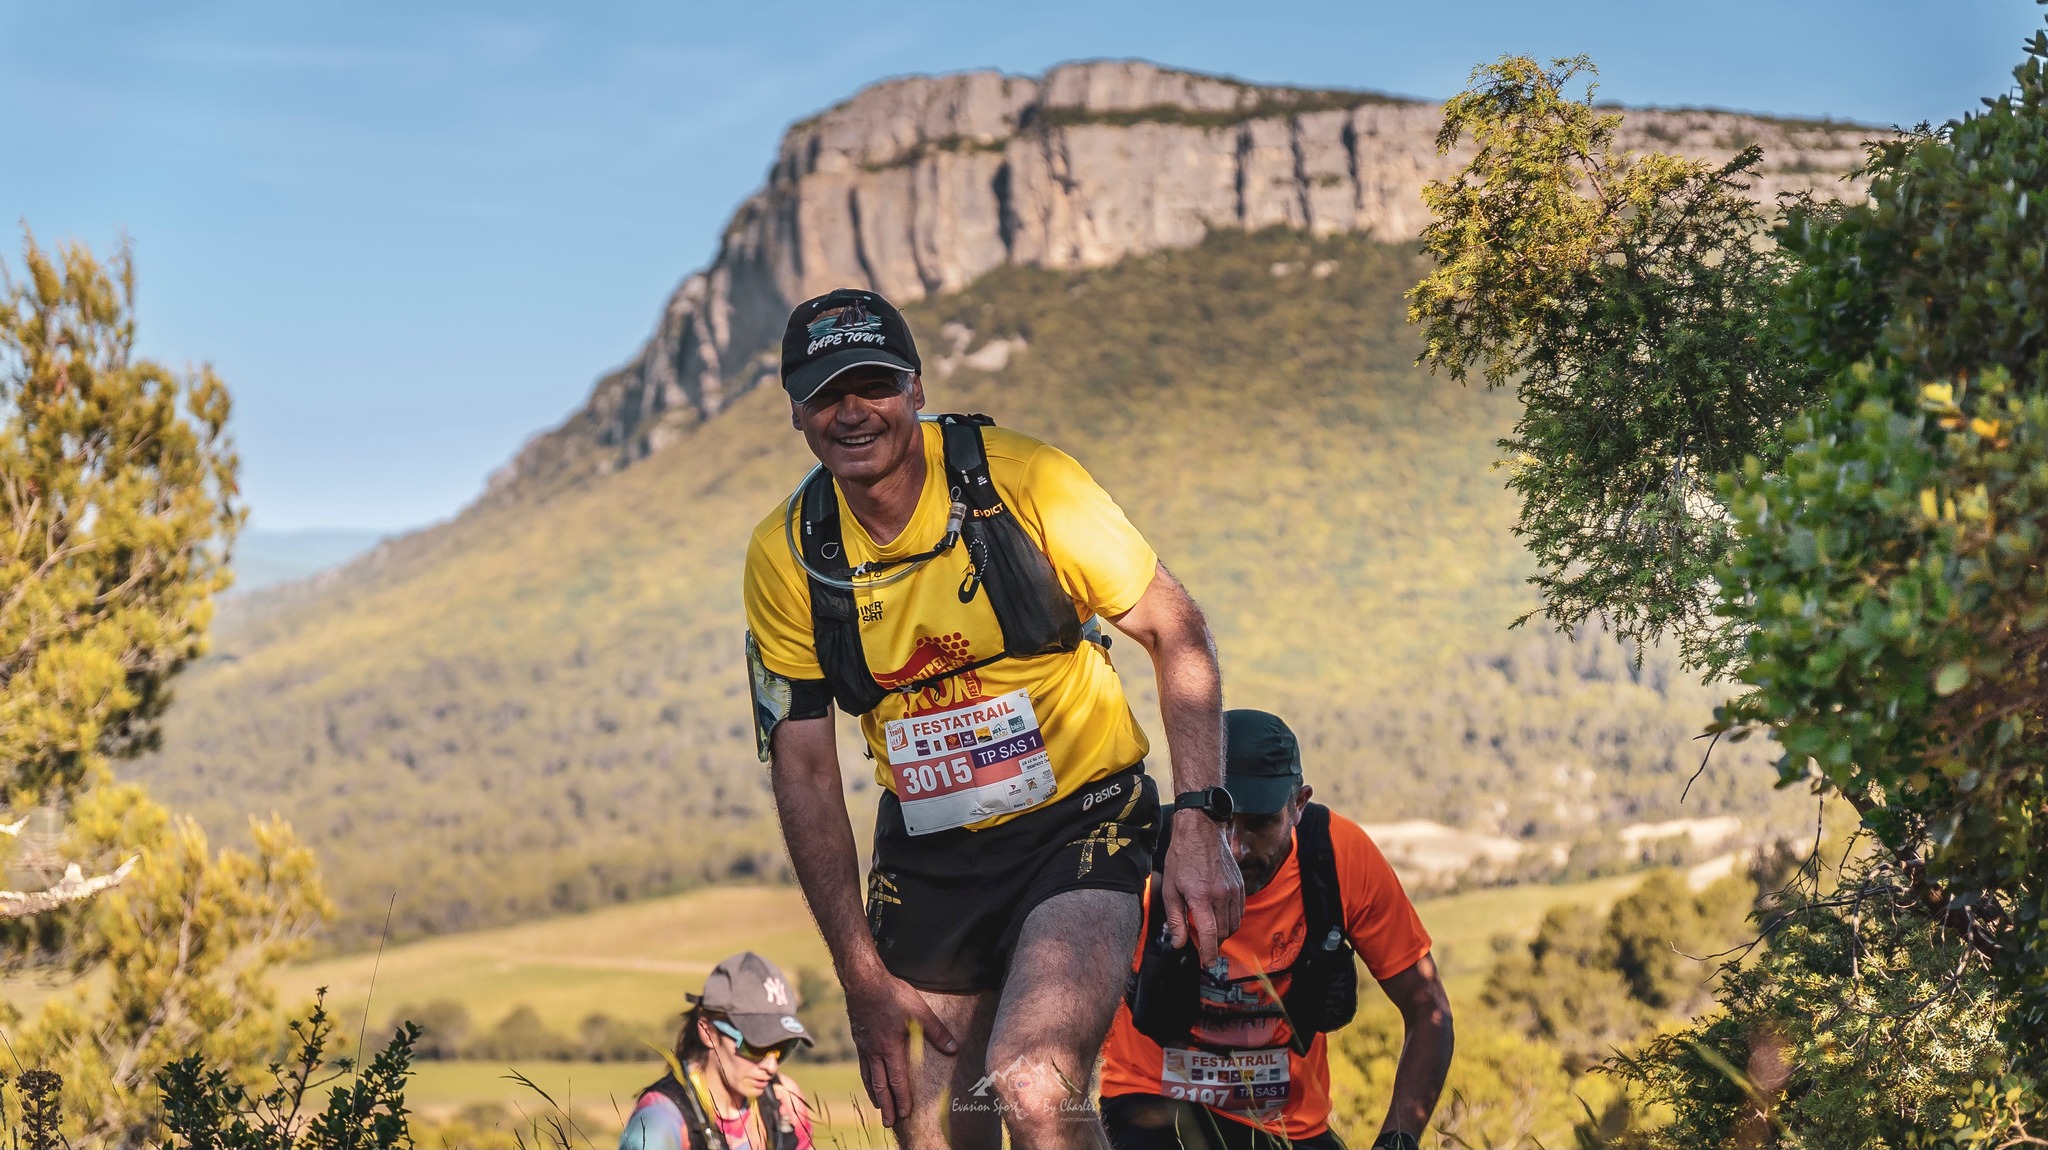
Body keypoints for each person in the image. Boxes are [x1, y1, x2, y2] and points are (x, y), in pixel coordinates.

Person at [743, 287, 1244, 1149]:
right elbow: (806, 771)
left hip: (1078, 823)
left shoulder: (1024, 479)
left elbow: (1175, 628)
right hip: (932, 851)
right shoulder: (788, 554)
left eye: (875, 383)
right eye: (828, 391)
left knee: (1033, 1084)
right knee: (931, 1124)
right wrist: (862, 976)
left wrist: (1200, 825)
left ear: (917, 388)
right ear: (796, 410)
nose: (853, 410)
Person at [1100, 710, 1454, 1150]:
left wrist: (1396, 1141)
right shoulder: (1148, 856)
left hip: (1286, 1125)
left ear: (1299, 804)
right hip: (1153, 1105)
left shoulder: (1340, 858)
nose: (1236, 847)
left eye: (1261, 823)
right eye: (1220, 819)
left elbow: (1429, 1014)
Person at [619, 951, 817, 1150]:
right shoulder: (660, 1120)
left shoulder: (784, 1099)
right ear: (708, 1032)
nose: (771, 1066)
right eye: (755, 1046)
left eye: (782, 1047)